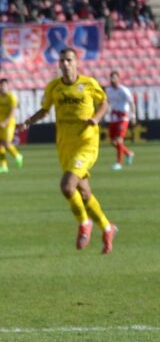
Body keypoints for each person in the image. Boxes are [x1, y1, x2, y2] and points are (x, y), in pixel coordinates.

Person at [19, 48, 117, 254]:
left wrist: (95, 119)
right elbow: (45, 109)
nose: (65, 64)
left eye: (69, 60)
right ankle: (107, 228)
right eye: (62, 60)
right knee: (84, 192)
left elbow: (104, 103)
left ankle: (84, 223)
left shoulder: (89, 84)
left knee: (67, 186)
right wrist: (29, 121)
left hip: (86, 144)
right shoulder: (54, 87)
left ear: (76, 62)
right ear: (59, 64)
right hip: (65, 145)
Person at [105, 71, 136, 170]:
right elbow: (108, 103)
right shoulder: (109, 91)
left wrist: (133, 115)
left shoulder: (124, 90)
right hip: (113, 117)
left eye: (114, 78)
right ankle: (129, 153)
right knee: (113, 142)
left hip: (123, 117)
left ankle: (119, 163)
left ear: (118, 79)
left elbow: (131, 102)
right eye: (111, 78)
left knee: (119, 140)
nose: (112, 80)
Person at [0, 78, 23, 173]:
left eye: (4, 85)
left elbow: (12, 112)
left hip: (9, 123)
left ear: (7, 86)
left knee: (6, 143)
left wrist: (5, 122)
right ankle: (4, 166)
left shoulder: (11, 97)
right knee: (0, 144)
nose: (2, 87)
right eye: (1, 85)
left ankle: (18, 155)